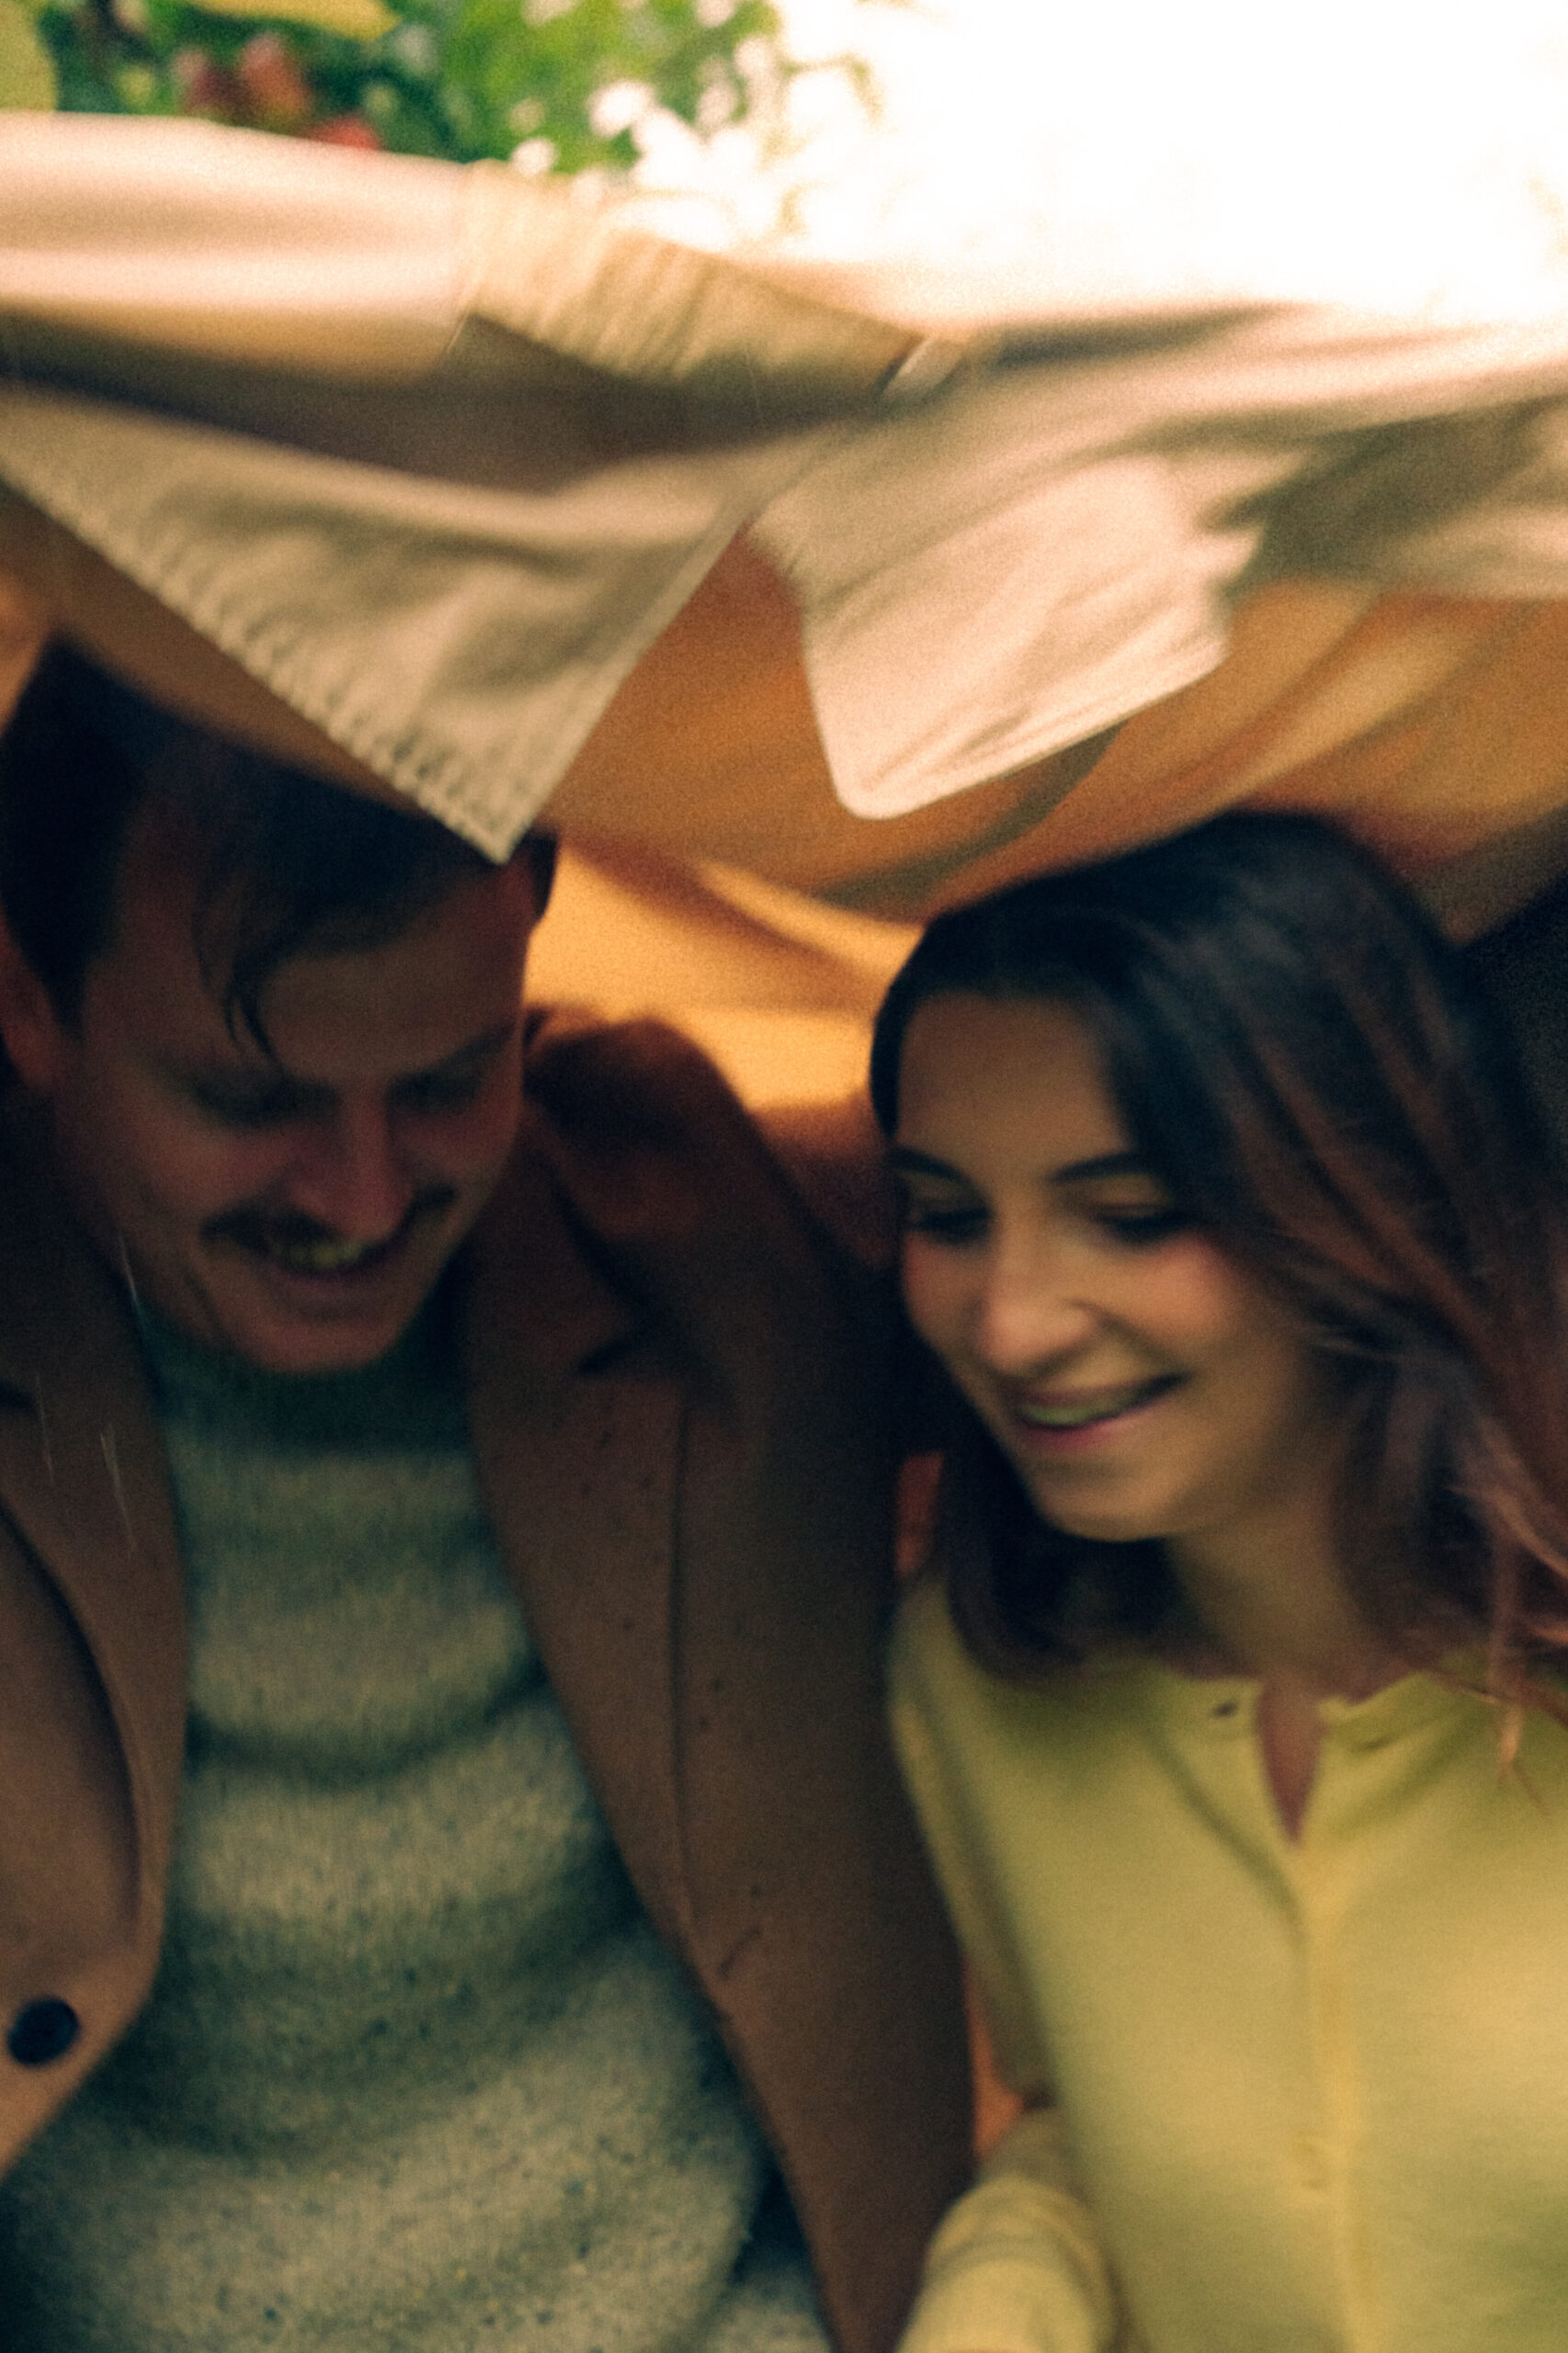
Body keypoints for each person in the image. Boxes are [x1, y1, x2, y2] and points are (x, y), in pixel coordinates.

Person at [0, 642, 971, 2351]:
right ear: (26, 1002)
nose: (363, 1195)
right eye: (249, 1098)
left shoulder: (693, 1223)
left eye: (449, 1079)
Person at [870, 812, 1568, 2353]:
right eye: (947, 1217)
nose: (1010, 1321)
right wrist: (993, 2309)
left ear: (1362, 1203)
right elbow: (1089, 2142)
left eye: (1127, 1217)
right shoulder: (968, 1683)